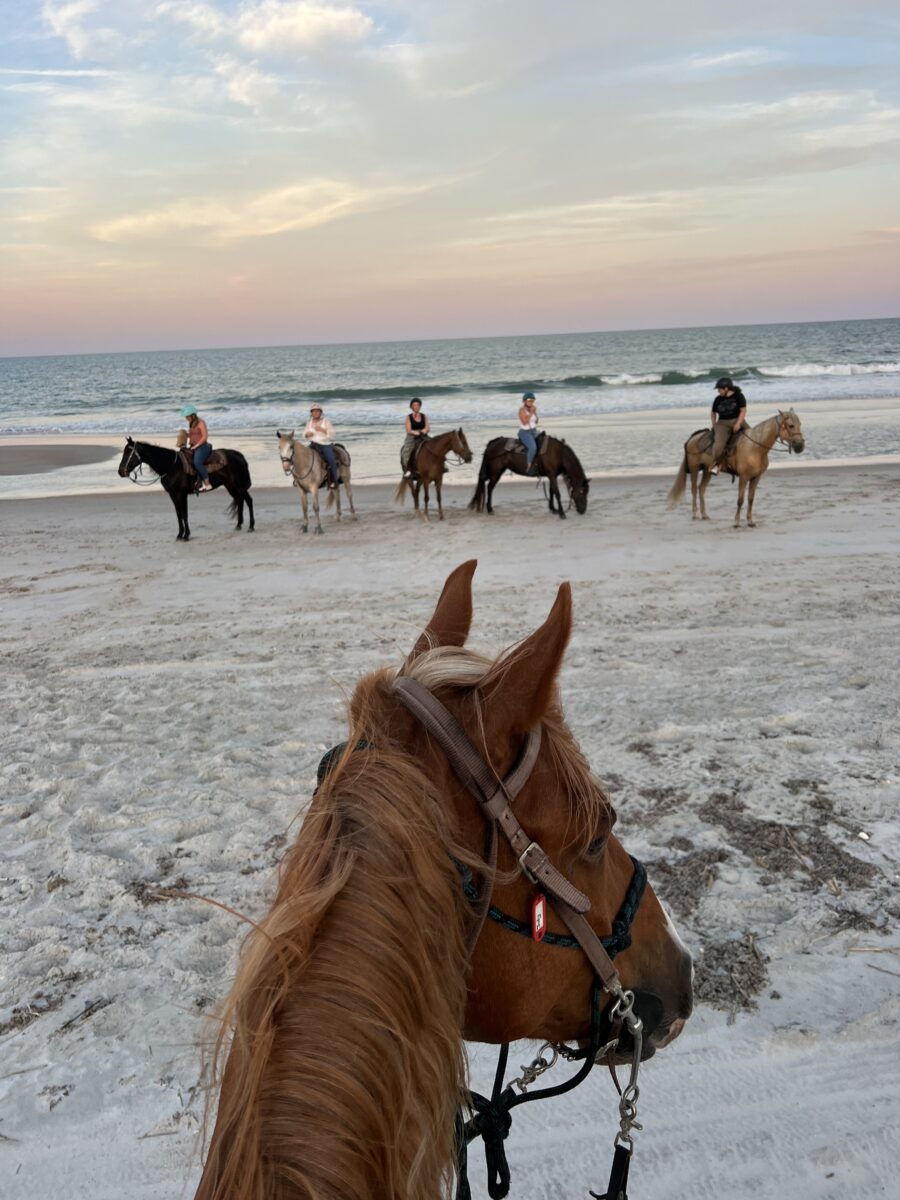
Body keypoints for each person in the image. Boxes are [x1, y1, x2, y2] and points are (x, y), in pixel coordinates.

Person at [708, 377, 747, 472]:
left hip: (737, 420)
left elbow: (743, 411)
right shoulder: (718, 399)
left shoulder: (739, 396)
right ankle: (716, 465)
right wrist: (714, 424)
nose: (718, 391)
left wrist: (738, 424)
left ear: (726, 388)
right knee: (718, 445)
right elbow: (713, 412)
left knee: (753, 436)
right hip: (722, 423)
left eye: (719, 389)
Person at [304, 404, 339, 488]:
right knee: (302, 457)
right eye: (314, 411)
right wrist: (307, 434)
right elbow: (304, 434)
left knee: (331, 459)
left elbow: (333, 435)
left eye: (317, 411)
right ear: (311, 413)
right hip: (313, 444)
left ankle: (334, 481)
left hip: (325, 444)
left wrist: (323, 430)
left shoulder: (326, 422)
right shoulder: (309, 423)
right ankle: (301, 479)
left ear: (321, 412)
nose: (315, 413)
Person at [181, 404, 212, 491]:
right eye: (185, 417)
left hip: (202, 446)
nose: (186, 418)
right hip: (193, 446)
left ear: (193, 415)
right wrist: (184, 435)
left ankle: (207, 483)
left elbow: (205, 436)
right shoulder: (191, 423)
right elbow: (192, 435)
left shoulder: (201, 422)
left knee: (197, 462)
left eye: (187, 416)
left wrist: (197, 445)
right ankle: (197, 481)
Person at [401, 397, 430, 477]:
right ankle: (407, 469)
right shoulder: (408, 417)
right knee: (406, 451)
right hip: (412, 436)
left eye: (418, 405)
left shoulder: (424, 416)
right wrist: (416, 433)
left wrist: (423, 431)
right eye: (414, 405)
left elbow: (427, 427)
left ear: (420, 406)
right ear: (412, 407)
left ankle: (442, 465)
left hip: (423, 435)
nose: (416, 406)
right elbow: (409, 430)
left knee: (435, 445)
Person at [518, 392, 540, 475]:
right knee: (533, 447)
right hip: (525, 432)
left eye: (532, 400)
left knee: (545, 442)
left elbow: (536, 421)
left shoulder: (532, 409)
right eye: (529, 400)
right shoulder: (521, 410)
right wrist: (531, 412)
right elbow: (524, 422)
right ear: (524, 401)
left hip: (534, 431)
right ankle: (529, 466)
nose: (531, 402)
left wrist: (534, 412)